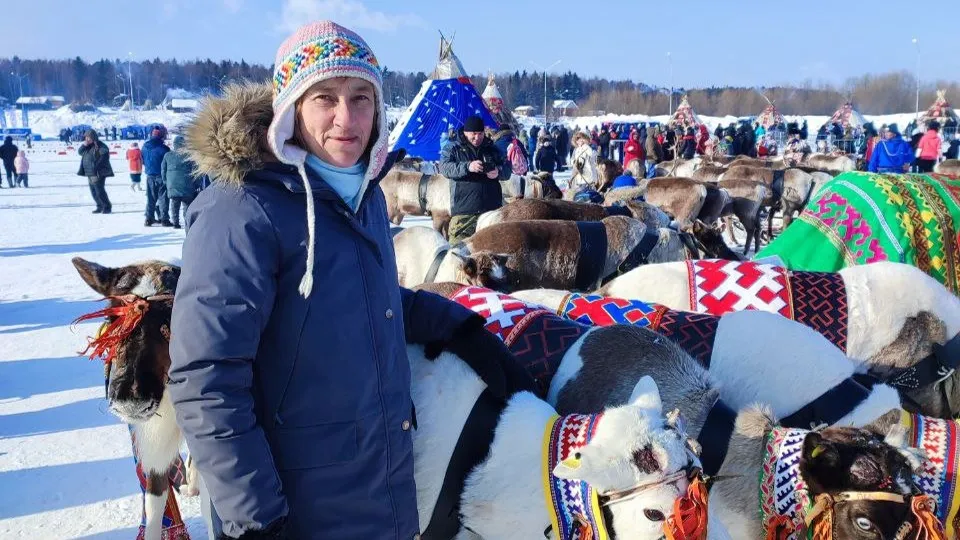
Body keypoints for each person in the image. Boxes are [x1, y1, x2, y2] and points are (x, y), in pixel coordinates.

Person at [168, 20, 533, 540]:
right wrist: (257, 520)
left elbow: (366, 300)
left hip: (377, 497)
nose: (347, 117)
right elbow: (206, 379)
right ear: (291, 107)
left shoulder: (359, 196)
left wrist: (457, 324)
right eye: (325, 98)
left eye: (362, 97)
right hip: (292, 513)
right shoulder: (241, 210)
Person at [439, 115, 511, 244]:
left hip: (491, 210)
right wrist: (467, 166)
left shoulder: (491, 148)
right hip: (465, 211)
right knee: (459, 252)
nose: (477, 137)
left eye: (480, 133)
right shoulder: (453, 148)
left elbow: (507, 169)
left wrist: (498, 172)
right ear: (465, 132)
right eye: (473, 134)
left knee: (493, 251)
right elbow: (444, 168)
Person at [161, 135, 200, 230]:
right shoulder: (190, 156)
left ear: (174, 145)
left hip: (172, 184)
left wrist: (166, 182)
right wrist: (196, 184)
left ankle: (175, 223)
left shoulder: (167, 155)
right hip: (187, 185)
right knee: (187, 205)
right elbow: (196, 171)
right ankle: (188, 222)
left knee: (174, 204)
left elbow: (163, 170)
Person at [76, 129, 113, 213]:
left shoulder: (101, 146)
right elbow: (80, 152)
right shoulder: (87, 146)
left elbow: (104, 157)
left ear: (93, 137)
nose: (87, 139)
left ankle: (107, 207)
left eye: (89, 137)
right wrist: (84, 145)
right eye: (86, 137)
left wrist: (95, 167)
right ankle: (100, 206)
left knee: (99, 190)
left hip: (98, 172)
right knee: (93, 191)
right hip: (89, 172)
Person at [142, 128, 172, 227]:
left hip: (150, 175)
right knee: (163, 198)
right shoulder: (164, 149)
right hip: (161, 176)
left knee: (151, 198)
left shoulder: (145, 147)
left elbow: (142, 160)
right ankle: (164, 219)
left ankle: (149, 218)